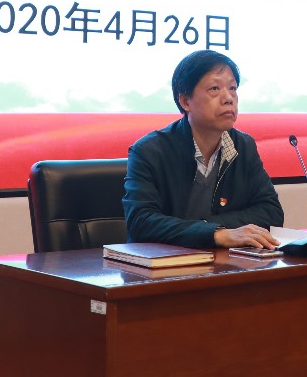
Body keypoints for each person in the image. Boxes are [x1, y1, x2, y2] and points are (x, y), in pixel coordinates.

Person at [122, 50, 284, 248]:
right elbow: (141, 222)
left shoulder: (243, 146)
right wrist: (216, 234)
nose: (228, 98)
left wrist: (210, 228)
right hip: (163, 263)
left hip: (222, 261)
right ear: (185, 101)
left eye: (232, 88)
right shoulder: (149, 151)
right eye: (215, 88)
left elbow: (271, 213)